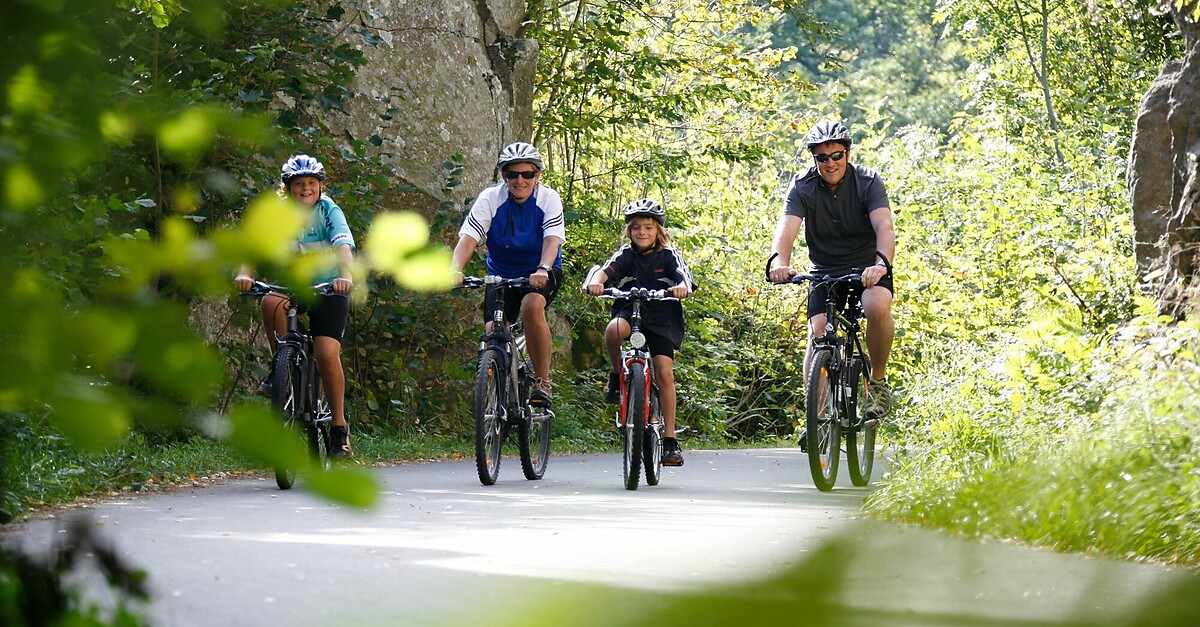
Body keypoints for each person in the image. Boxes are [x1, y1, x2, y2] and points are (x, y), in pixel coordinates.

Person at [768, 120, 896, 430]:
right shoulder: (802, 186)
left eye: (836, 155)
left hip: (867, 268)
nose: (830, 163)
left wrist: (881, 263)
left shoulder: (868, 182)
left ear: (847, 153)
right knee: (818, 333)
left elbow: (884, 227)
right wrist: (778, 263)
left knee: (878, 306)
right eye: (822, 157)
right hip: (825, 272)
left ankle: (877, 383)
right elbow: (786, 229)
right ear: (814, 159)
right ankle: (818, 418)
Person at [235, 154, 357, 459]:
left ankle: (339, 429)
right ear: (287, 188)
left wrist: (345, 277)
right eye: (299, 184)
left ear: (320, 186)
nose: (306, 189)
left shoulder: (329, 211)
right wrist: (244, 274)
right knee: (270, 302)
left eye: (311, 184)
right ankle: (283, 367)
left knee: (327, 353)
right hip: (291, 284)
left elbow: (344, 247)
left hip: (329, 287)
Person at [450, 142, 565, 408]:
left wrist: (542, 269)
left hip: (541, 272)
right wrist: (454, 269)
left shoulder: (548, 198)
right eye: (512, 174)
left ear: (537, 175)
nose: (520, 180)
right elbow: (468, 239)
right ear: (503, 176)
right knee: (492, 330)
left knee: (532, 305)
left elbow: (551, 241)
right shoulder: (490, 198)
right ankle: (497, 389)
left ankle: (542, 380)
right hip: (500, 275)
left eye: (527, 174)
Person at [586, 199, 696, 467]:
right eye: (636, 228)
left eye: (648, 227)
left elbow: (684, 276)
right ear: (629, 231)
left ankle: (670, 439)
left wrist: (682, 287)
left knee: (664, 372)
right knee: (613, 331)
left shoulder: (668, 254)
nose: (642, 232)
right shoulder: (626, 254)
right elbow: (603, 272)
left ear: (658, 230)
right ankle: (616, 374)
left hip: (661, 316)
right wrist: (595, 283)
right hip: (629, 310)